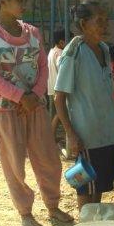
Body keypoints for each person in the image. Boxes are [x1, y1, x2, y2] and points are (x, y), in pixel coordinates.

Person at [0, 0, 72, 226]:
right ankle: (26, 213)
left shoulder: (32, 32)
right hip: (6, 110)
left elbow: (42, 66)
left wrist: (35, 95)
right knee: (14, 164)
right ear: (2, 1)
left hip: (35, 107)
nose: (24, 4)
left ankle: (52, 205)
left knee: (48, 159)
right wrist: (21, 97)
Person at [54, 1, 114, 210]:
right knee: (85, 185)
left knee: (99, 183)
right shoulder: (73, 53)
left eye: (105, 20)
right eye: (99, 21)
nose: (104, 25)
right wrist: (70, 134)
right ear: (84, 24)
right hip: (87, 135)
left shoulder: (104, 49)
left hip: (106, 131)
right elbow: (59, 97)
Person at [47, 28, 68, 156]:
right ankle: (51, 136)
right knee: (60, 114)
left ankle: (51, 136)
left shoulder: (51, 52)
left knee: (58, 114)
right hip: (59, 88)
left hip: (52, 86)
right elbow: (63, 70)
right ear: (61, 42)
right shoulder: (60, 54)